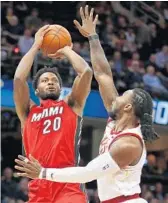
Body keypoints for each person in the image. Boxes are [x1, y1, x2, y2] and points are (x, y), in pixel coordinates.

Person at [15, 7, 159, 203]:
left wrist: (43, 173)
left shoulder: (129, 143)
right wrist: (92, 36)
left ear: (128, 108)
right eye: (44, 80)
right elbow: (103, 75)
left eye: (123, 96)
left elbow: (89, 173)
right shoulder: (114, 119)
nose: (116, 97)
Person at [13, 24, 93, 203]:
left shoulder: (71, 104)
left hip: (68, 184)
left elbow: (86, 72)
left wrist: (66, 50)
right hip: (38, 187)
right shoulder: (28, 112)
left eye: (54, 80)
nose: (50, 82)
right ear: (36, 90)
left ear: (60, 87)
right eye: (44, 80)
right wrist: (35, 46)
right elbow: (19, 79)